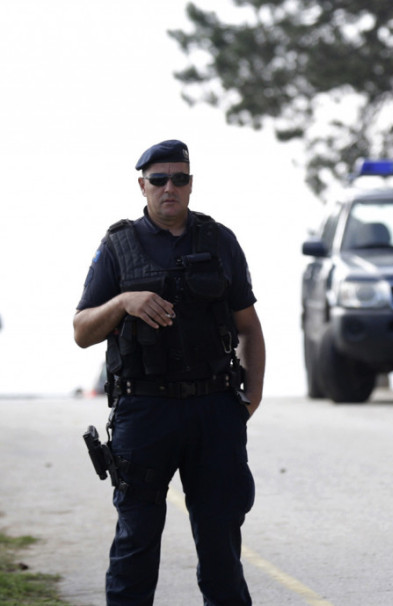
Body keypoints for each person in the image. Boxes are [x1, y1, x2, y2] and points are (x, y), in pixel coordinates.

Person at [74, 139, 265, 605]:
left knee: (221, 545)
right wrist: (122, 302)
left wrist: (250, 399)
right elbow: (81, 331)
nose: (169, 188)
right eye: (159, 180)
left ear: (191, 184)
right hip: (145, 411)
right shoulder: (118, 246)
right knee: (136, 543)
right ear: (142, 186)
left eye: (179, 178)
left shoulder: (219, 241)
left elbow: (250, 329)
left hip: (214, 410)